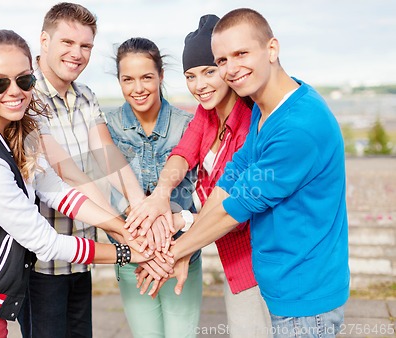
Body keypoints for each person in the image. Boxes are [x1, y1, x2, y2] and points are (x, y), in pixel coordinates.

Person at [134, 7, 350, 338]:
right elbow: (229, 181)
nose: (231, 68)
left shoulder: (297, 127)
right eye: (222, 60)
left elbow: (236, 208)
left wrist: (175, 251)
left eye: (241, 54)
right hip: (283, 282)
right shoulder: (266, 113)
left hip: (305, 297)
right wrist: (182, 239)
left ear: (272, 50)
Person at [0, 29, 148, 338]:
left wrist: (122, 227)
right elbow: (45, 242)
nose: (14, 91)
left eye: (24, 80)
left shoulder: (8, 123)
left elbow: (53, 186)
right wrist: (128, 253)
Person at [128, 14, 271, 337]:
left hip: (258, 257)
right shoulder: (207, 115)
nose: (200, 85)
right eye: (191, 76)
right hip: (233, 255)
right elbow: (183, 154)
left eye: (209, 71)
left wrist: (182, 228)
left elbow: (234, 204)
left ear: (226, 67)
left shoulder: (249, 124)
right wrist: (161, 195)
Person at [19, 3, 149, 338]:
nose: (77, 54)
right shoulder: (24, 96)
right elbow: (67, 174)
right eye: (67, 43)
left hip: (83, 251)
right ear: (44, 41)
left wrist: (143, 211)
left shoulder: (86, 95)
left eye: (86, 45)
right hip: (42, 260)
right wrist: (128, 236)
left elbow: (108, 159)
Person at [104, 37, 202, 338]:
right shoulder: (106, 127)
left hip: (181, 254)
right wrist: (145, 246)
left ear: (161, 75)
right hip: (132, 255)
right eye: (128, 79)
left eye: (147, 77)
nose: (138, 88)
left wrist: (173, 251)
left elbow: (202, 194)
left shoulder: (189, 124)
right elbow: (109, 196)